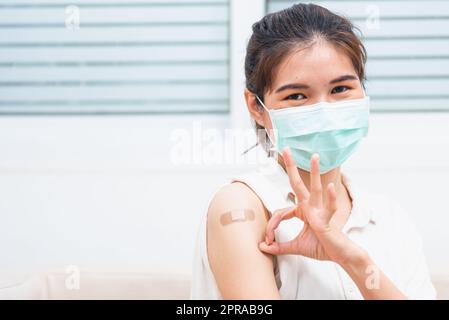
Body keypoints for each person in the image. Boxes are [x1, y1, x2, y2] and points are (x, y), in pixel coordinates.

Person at [190, 3, 436, 299]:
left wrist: (352, 259)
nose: (324, 110)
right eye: (297, 95)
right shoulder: (241, 206)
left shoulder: (390, 220)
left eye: (341, 89)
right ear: (256, 106)